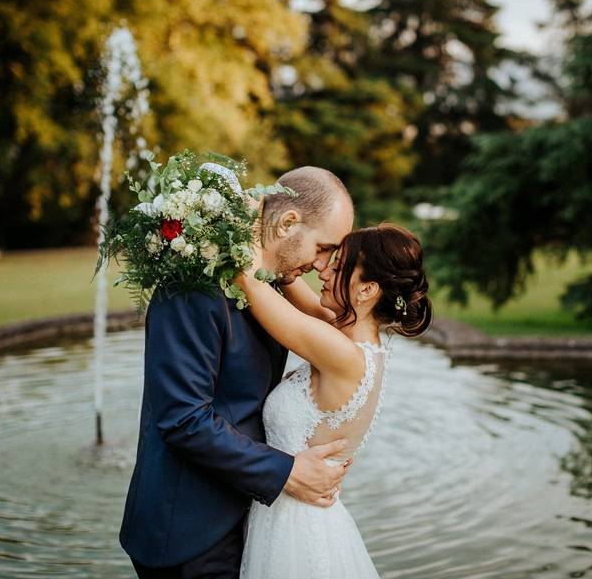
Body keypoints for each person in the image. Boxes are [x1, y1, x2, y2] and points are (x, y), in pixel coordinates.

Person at [119, 167, 355, 578]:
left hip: (246, 517)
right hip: (189, 531)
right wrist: (289, 472)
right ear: (287, 223)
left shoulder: (270, 287)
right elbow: (184, 418)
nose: (321, 266)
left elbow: (330, 325)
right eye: (322, 248)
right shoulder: (191, 286)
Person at [235, 223, 433, 578]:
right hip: (299, 515)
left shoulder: (342, 353)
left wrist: (235, 218)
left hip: (293, 529)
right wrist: (285, 241)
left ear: (367, 290)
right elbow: (288, 282)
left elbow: (248, 282)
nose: (322, 270)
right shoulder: (353, 339)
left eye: (339, 267)